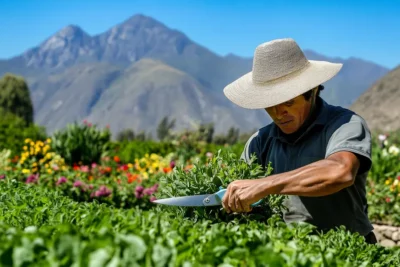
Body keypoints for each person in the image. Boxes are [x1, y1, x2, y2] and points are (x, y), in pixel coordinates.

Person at [221, 38, 377, 244]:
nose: (278, 113)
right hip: (286, 254)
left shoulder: (344, 125)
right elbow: (243, 192)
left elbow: (340, 171)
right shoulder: (260, 142)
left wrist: (266, 184)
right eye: (270, 104)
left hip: (347, 251)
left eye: (288, 102)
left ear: (311, 92)